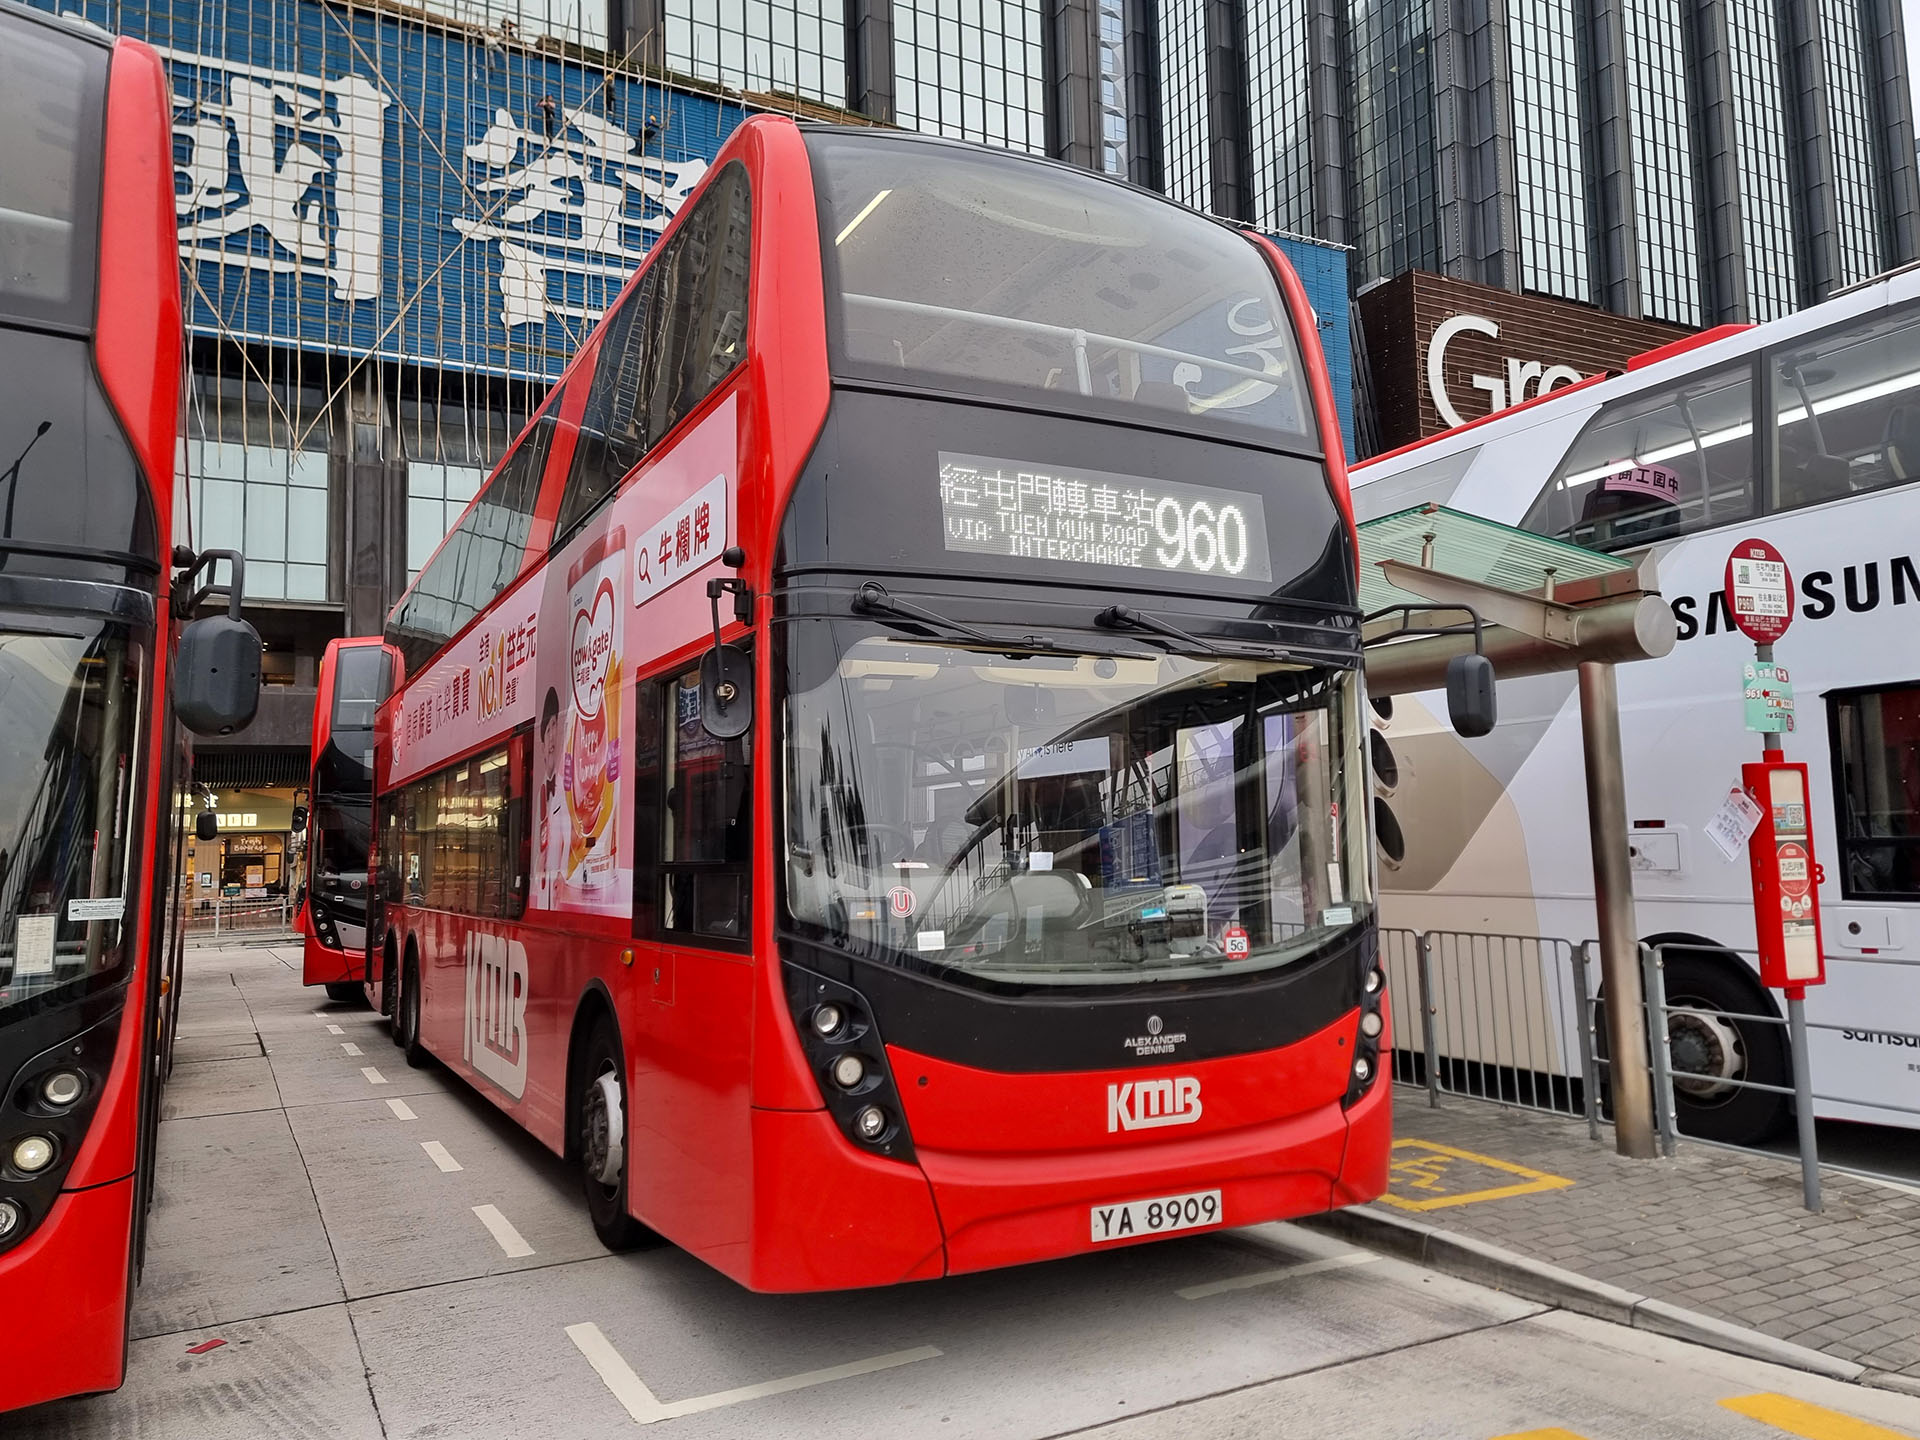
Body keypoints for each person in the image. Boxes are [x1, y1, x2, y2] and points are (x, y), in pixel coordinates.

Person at [534, 687, 564, 909]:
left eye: (556, 724)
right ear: (543, 746)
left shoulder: (568, 788)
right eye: (548, 728)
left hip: (561, 900)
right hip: (543, 899)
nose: (553, 734)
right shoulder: (540, 795)